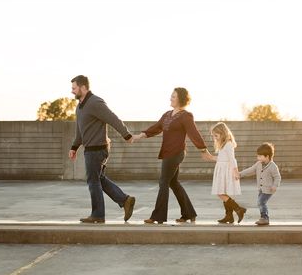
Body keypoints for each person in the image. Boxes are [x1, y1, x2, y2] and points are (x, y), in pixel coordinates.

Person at [132, 87, 211, 224]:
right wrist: (140, 136)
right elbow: (156, 127)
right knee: (173, 183)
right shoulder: (167, 114)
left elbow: (194, 133)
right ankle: (189, 213)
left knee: (163, 182)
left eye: (173, 96)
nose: (170, 98)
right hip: (167, 152)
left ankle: (158, 216)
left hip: (176, 153)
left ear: (180, 98)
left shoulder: (186, 116)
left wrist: (203, 149)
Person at [68, 75, 136, 224]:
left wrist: (126, 134)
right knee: (99, 179)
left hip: (97, 149)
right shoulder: (80, 107)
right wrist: (74, 147)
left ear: (83, 87)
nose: (72, 91)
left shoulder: (95, 102)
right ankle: (125, 200)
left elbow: (112, 118)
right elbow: (80, 131)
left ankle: (98, 214)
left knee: (93, 181)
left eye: (74, 88)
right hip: (90, 149)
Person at [205, 122, 246, 223]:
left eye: (216, 135)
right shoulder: (223, 144)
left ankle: (239, 209)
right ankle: (229, 216)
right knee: (223, 192)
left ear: (222, 133)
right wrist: (210, 157)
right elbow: (222, 158)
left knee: (220, 193)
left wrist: (236, 172)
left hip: (226, 170)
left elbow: (232, 159)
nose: (215, 137)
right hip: (222, 169)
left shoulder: (228, 144)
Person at [238, 142, 281, 225]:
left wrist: (275, 186)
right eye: (257, 156)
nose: (258, 158)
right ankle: (263, 217)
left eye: (260, 156)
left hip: (268, 189)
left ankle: (265, 218)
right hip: (261, 189)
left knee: (261, 202)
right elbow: (251, 170)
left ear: (267, 156)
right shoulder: (259, 164)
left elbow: (277, 177)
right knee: (260, 202)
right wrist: (240, 174)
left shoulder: (273, 166)